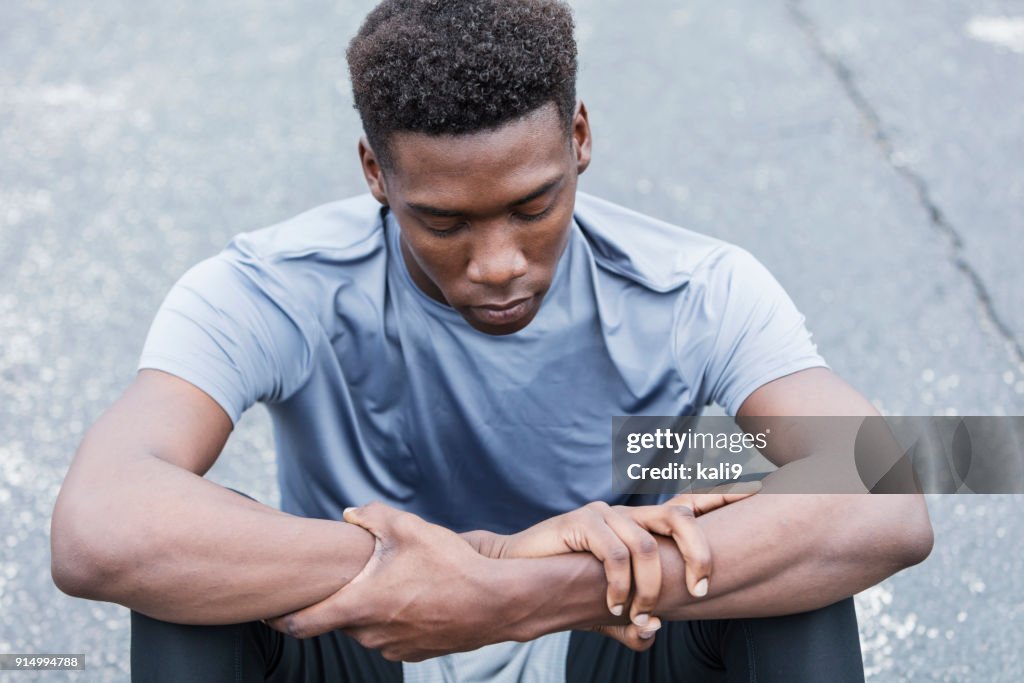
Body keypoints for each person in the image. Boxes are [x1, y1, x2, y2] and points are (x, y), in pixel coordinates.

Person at [50, 0, 933, 680]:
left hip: (605, 645)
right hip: (373, 642)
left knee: (779, 553)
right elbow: (99, 526)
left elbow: (887, 496)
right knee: (182, 573)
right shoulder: (274, 285)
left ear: (578, 139)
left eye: (532, 205)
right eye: (443, 222)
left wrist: (523, 591)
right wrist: (462, 562)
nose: (498, 263)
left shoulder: (697, 288)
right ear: (375, 174)